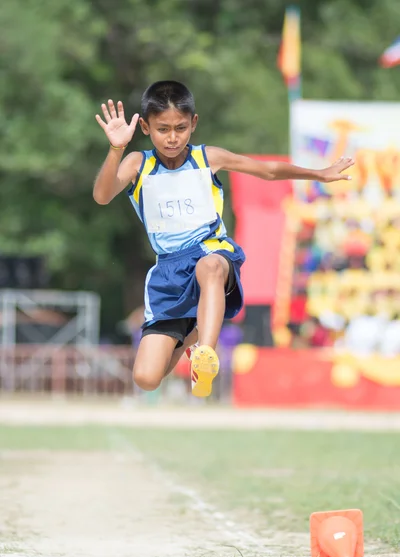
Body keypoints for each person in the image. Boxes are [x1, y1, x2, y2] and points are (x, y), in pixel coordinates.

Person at [93, 80, 354, 397]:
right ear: (146, 127)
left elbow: (267, 171)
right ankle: (191, 336)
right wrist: (116, 148)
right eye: (163, 129)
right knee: (147, 378)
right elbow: (103, 195)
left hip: (211, 252)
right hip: (167, 272)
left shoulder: (208, 158)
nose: (173, 137)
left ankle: (205, 352)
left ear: (194, 123)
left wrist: (319, 173)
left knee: (210, 267)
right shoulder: (138, 163)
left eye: (180, 127)